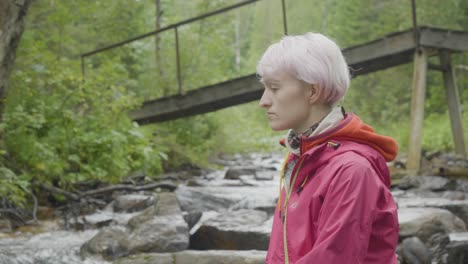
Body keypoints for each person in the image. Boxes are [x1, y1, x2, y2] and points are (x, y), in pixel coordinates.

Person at [257, 33, 399, 264]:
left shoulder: (351, 170)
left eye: (274, 88)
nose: (263, 101)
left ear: (313, 91)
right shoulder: (301, 156)